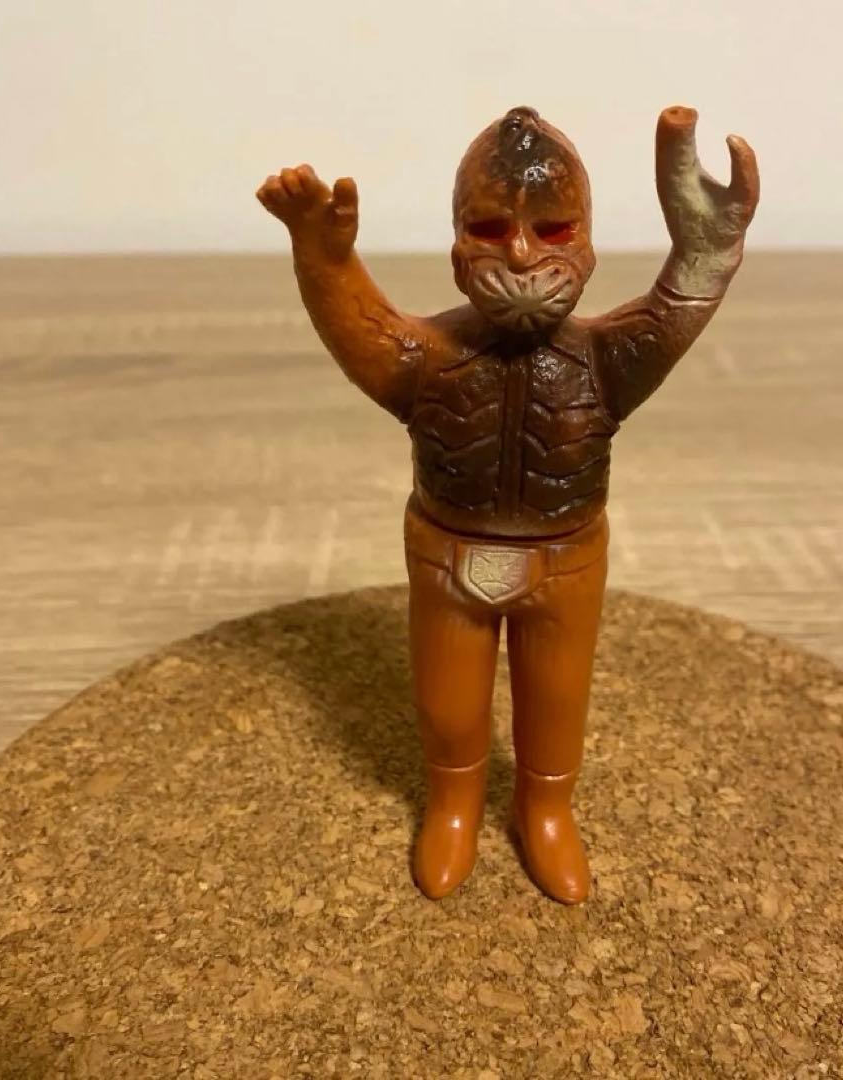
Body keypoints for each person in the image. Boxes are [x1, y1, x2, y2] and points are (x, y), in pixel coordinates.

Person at [257, 104, 759, 903]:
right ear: (457, 243)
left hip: (566, 562)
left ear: (587, 242)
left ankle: (546, 809)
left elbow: (670, 314)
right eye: (491, 229)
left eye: (552, 230)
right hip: (447, 558)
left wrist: (707, 252)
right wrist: (323, 257)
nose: (522, 254)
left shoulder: (607, 360)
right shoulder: (428, 359)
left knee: (556, 704)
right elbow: (366, 331)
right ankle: (453, 803)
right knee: (449, 706)